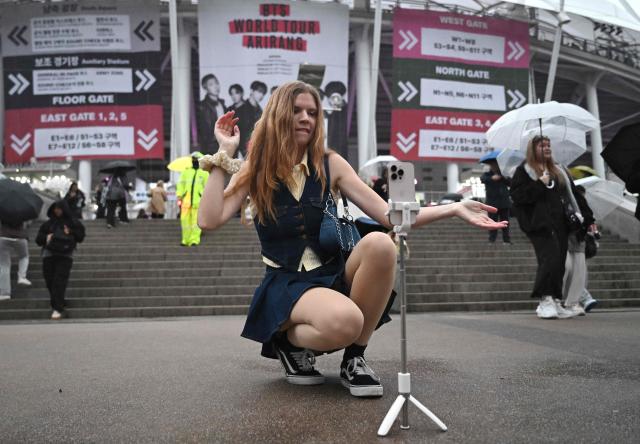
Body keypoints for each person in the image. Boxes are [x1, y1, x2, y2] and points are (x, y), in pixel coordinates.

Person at [197, 81, 507, 397]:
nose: (306, 118)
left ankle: (354, 359)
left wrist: (453, 208)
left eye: (312, 112)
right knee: (346, 322)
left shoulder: (330, 164)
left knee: (382, 244)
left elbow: (391, 216)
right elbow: (208, 220)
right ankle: (287, 344)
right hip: (286, 282)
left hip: (331, 273)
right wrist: (224, 154)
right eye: (296, 111)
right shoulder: (257, 166)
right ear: (278, 114)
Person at [510, 135, 582, 320]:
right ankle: (545, 300)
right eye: (542, 145)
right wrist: (539, 183)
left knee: (559, 262)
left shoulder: (557, 170)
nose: (547, 148)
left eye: (549, 145)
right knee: (549, 259)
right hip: (539, 224)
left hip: (560, 223)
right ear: (533, 149)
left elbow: (569, 195)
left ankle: (556, 299)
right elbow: (518, 197)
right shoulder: (524, 171)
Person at [35, 200, 85, 320]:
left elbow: (80, 236)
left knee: (59, 281)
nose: (57, 211)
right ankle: (59, 302)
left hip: (65, 255)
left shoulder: (73, 222)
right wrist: (47, 237)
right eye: (55, 209)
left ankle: (58, 309)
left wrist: (71, 232)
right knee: (50, 280)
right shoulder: (48, 224)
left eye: (59, 208)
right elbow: (38, 239)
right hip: (49, 255)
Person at [563, 185, 598, 314]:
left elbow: (588, 216)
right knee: (568, 267)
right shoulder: (566, 200)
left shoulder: (580, 202)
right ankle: (564, 299)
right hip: (566, 236)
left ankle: (574, 302)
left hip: (579, 238)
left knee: (579, 270)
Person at [177, 152, 209, 246]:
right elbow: (181, 184)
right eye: (193, 159)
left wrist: (204, 198)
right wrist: (179, 195)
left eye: (196, 160)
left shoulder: (204, 173)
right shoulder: (186, 172)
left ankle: (194, 239)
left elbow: (207, 187)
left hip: (198, 201)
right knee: (184, 221)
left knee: (196, 221)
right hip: (186, 201)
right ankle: (185, 240)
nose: (194, 161)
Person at [480, 159, 512, 244]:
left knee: (505, 222)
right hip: (492, 203)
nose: (495, 166)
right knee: (492, 222)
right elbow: (482, 179)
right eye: (493, 165)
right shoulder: (487, 174)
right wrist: (492, 178)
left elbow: (511, 182)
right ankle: (491, 239)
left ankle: (506, 240)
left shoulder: (504, 174)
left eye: (496, 165)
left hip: (504, 202)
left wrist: (503, 177)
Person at [0, 221, 32, 300]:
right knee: (24, 257)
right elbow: (27, 224)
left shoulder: (3, 210)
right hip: (20, 237)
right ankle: (22, 276)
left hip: (3, 236)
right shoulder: (22, 211)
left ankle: (5, 293)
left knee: (4, 265)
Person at [197, 74, 227, 154]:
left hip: (223, 145)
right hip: (211, 148)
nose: (215, 86)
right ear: (205, 88)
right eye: (211, 84)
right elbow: (204, 132)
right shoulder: (202, 106)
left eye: (216, 83)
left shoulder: (222, 104)